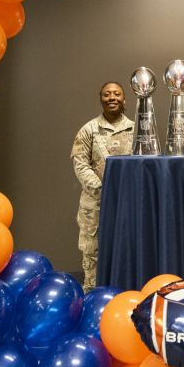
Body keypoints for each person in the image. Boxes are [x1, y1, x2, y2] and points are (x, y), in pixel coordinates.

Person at [70, 82, 135, 291]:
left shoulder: (136, 129)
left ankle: (125, 293)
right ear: (101, 99)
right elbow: (80, 165)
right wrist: (103, 190)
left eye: (117, 94)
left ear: (124, 99)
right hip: (95, 204)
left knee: (128, 249)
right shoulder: (88, 130)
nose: (112, 97)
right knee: (93, 252)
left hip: (128, 202)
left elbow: (145, 163)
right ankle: (92, 295)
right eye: (107, 94)